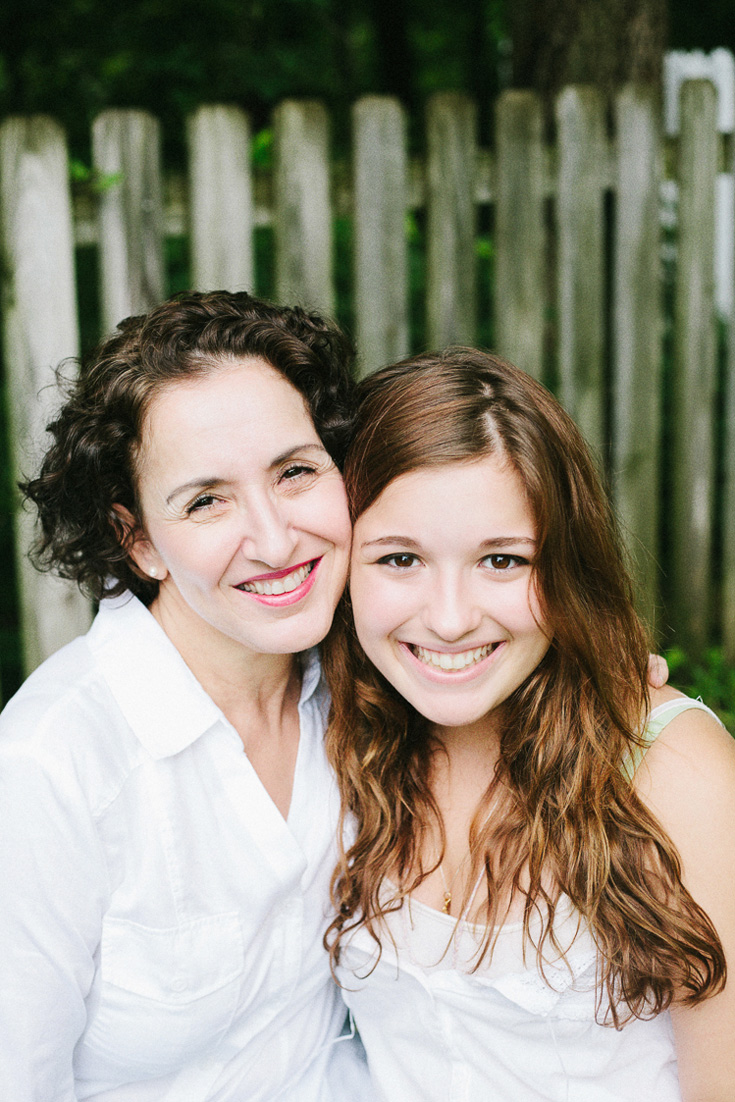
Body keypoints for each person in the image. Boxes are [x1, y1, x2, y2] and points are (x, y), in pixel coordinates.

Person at [324, 348, 735, 1101]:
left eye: (503, 562)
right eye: (399, 558)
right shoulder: (336, 737)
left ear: (564, 567)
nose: (448, 620)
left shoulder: (669, 772)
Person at [0, 291, 372, 1101]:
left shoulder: (371, 678)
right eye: (206, 500)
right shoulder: (50, 764)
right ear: (138, 540)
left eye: (296, 472)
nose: (275, 540)